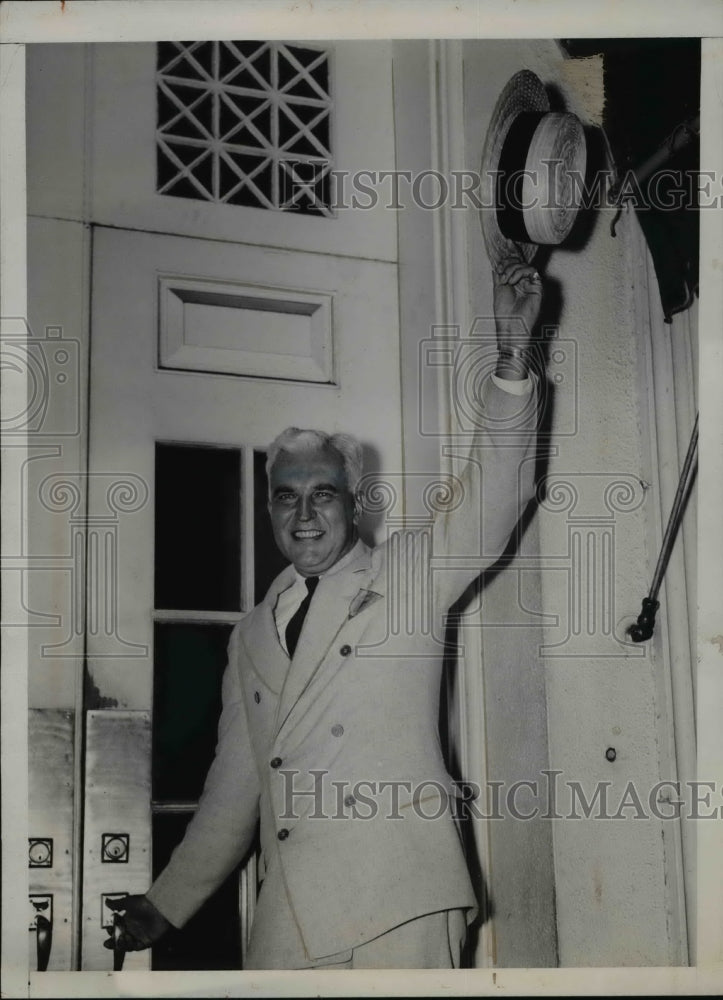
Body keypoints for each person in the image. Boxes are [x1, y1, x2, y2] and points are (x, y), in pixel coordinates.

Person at [106, 257, 544, 969]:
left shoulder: (407, 572)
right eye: (287, 496)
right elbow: (235, 785)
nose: (304, 514)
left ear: (353, 500)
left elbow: (495, 495)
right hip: (293, 904)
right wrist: (167, 903)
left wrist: (510, 359)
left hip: (401, 896)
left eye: (323, 494)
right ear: (269, 505)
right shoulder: (251, 633)